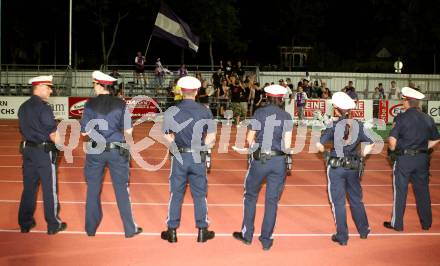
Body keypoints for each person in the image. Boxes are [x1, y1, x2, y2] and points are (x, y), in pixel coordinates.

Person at [80, 71, 142, 238]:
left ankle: (90, 229)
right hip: (117, 149)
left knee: (93, 189)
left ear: (101, 85)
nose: (94, 87)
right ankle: (130, 229)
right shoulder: (121, 104)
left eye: (95, 84)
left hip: (95, 150)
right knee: (122, 189)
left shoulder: (89, 104)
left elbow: (85, 132)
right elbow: (128, 130)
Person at [232, 84, 294, 251]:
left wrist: (254, 148)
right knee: (272, 201)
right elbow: (287, 145)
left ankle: (247, 235)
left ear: (267, 97)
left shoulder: (259, 112)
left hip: (260, 160)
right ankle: (266, 240)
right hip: (278, 161)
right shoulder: (287, 116)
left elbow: (249, 137)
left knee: (251, 196)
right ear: (282, 98)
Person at [161, 76, 216, 243]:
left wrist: (174, 145)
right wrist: (203, 147)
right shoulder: (205, 110)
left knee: (176, 193)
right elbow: (211, 137)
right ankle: (202, 230)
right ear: (197, 92)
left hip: (180, 156)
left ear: (181, 92)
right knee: (199, 194)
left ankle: (171, 231)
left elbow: (166, 135)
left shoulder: (172, 110)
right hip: (197, 155)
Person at [315, 91, 375, 246]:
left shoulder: (333, 126)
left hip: (336, 167)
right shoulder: (359, 125)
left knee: (338, 202)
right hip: (353, 166)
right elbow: (372, 143)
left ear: (336, 109)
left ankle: (342, 237)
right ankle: (363, 230)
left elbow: (319, 145)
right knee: (356, 199)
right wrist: (362, 155)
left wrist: (326, 154)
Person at [384, 87, 440, 231]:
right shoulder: (428, 118)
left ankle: (397, 224)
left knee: (400, 191)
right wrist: (424, 148)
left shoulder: (401, 118)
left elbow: (392, 140)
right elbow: (435, 139)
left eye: (403, 99)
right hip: (422, 159)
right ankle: (426, 223)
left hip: (404, 159)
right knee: (423, 191)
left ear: (407, 101)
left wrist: (392, 151)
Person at [18, 75, 67, 235]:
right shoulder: (44, 107)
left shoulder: (23, 107)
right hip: (43, 152)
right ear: (38, 87)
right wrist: (60, 146)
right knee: (49, 188)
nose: (50, 90)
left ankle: (25, 223)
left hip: (28, 152)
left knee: (29, 188)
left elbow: (23, 130)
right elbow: (52, 133)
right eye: (48, 87)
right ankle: (53, 224)